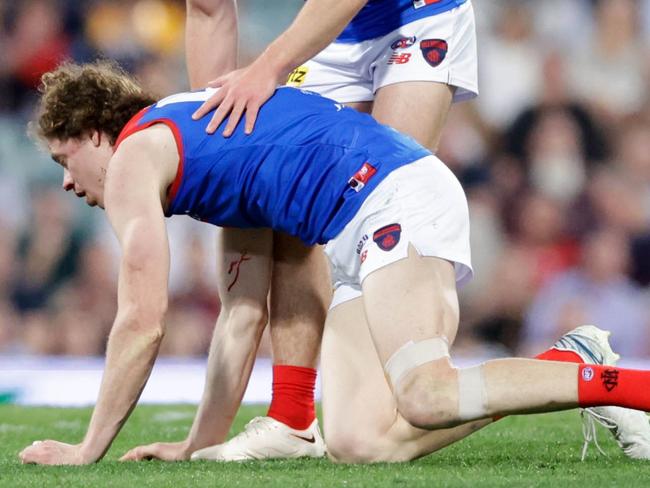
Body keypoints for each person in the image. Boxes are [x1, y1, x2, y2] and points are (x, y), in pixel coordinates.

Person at [18, 62, 650, 465]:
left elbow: (141, 320)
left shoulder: (132, 157)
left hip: (390, 199)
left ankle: (638, 390)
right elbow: (241, 320)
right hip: (367, 222)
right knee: (359, 442)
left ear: (96, 132)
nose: (68, 184)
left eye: (62, 160)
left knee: (426, 394)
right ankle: (570, 364)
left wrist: (87, 450)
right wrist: (196, 447)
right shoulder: (203, 151)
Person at [173, 0, 480, 460]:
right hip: (326, 29)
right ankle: (291, 419)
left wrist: (268, 67)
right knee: (296, 197)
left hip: (418, 12)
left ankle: (419, 379)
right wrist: (217, 151)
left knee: (382, 199)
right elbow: (207, 8)